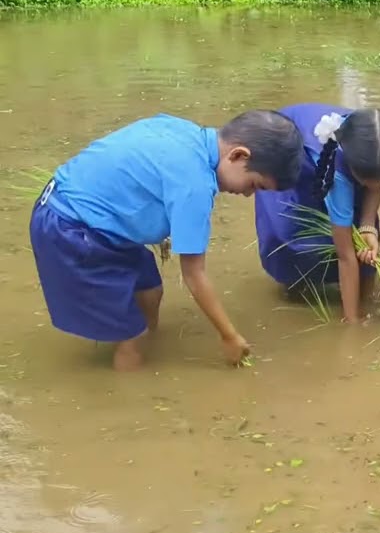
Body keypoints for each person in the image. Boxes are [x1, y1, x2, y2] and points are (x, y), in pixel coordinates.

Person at [29, 111, 303, 371]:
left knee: (150, 292)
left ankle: (147, 348)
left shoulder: (183, 131)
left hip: (82, 213)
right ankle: (129, 395)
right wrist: (229, 336)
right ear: (238, 155)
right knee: (130, 336)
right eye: (255, 185)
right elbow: (194, 275)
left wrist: (159, 228)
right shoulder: (196, 186)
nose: (248, 195)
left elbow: (140, 170)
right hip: (72, 228)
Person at [254, 104, 380, 322]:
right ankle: (296, 284)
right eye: (365, 181)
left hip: (346, 157)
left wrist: (367, 227)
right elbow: (345, 256)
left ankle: (359, 294)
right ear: (355, 171)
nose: (374, 185)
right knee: (292, 231)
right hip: (286, 149)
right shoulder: (339, 173)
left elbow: (374, 187)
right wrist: (352, 320)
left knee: (361, 239)